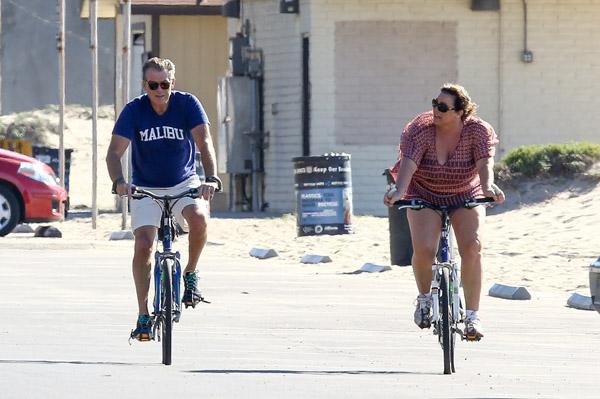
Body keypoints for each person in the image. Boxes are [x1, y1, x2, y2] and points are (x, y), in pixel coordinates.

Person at [106, 57, 221, 341]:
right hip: (146, 187)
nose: (159, 90)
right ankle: (143, 314)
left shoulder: (188, 104)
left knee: (198, 217)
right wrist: (119, 182)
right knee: (144, 243)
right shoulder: (134, 110)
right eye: (153, 84)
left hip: (184, 182)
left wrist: (211, 178)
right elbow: (113, 153)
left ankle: (191, 274)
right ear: (145, 85)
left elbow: (204, 143)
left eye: (164, 84)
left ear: (173, 83)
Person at [383, 83, 505, 341]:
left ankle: (472, 317)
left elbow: (485, 163)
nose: (435, 110)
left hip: (465, 193)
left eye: (442, 107)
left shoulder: (477, 131)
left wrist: (487, 186)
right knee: (425, 250)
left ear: (460, 112)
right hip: (423, 192)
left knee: (472, 247)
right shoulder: (420, 129)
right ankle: (425, 299)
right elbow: (409, 164)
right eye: (434, 103)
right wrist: (399, 191)